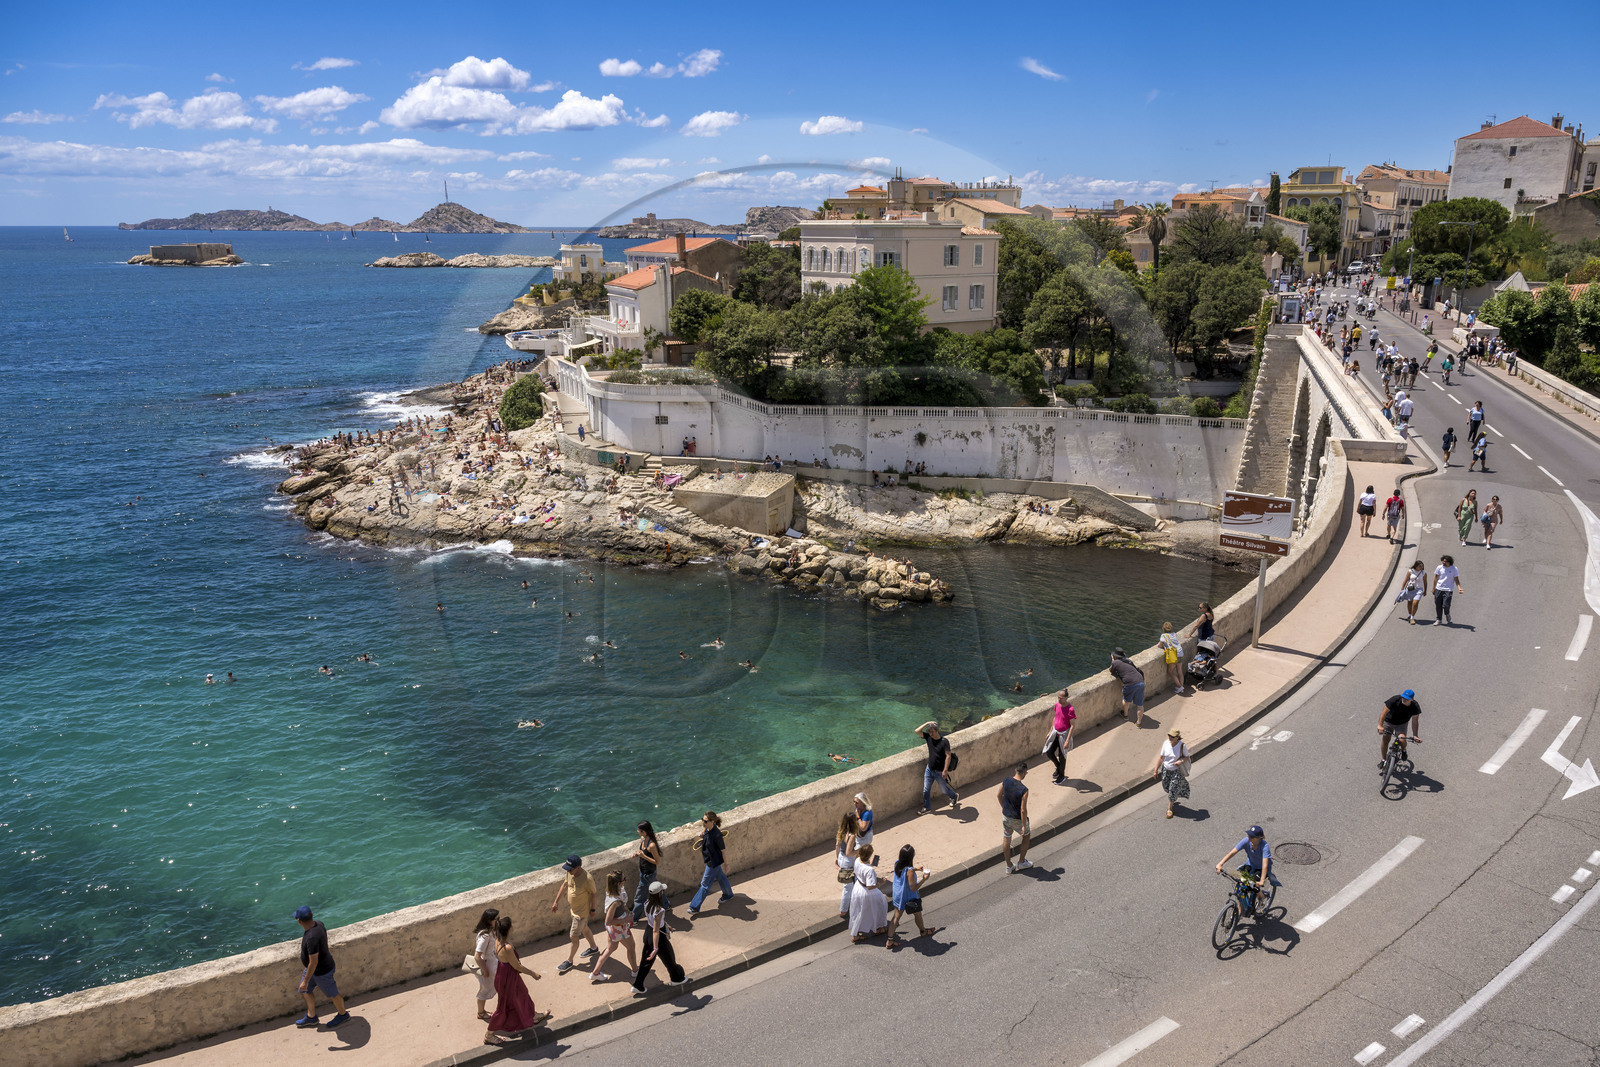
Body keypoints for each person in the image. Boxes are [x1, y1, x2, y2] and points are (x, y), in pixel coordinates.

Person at [484, 915, 546, 1044]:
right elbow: (517, 966)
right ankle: (489, 1034)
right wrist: (533, 974)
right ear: (509, 929)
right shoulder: (507, 948)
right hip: (509, 978)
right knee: (503, 1007)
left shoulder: (498, 940)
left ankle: (534, 1016)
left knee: (523, 995)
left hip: (504, 975)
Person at [293, 906, 350, 1029]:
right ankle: (311, 1017)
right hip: (314, 970)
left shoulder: (312, 938)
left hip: (321, 972)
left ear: (299, 921)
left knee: (333, 994)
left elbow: (313, 962)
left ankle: (343, 1014)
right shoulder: (318, 924)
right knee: (304, 991)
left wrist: (306, 980)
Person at [630, 881, 688, 994]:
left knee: (645, 962)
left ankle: (638, 985)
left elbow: (654, 921)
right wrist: (656, 948)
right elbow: (656, 930)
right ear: (659, 894)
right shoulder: (659, 910)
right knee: (670, 959)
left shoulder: (647, 903)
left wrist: (666, 925)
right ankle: (677, 979)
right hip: (658, 938)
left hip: (647, 934)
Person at [550, 854, 600, 974]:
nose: (568, 870)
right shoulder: (570, 872)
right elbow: (565, 885)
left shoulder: (587, 878)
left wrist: (593, 910)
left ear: (578, 867)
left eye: (570, 868)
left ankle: (570, 961)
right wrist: (556, 901)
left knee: (573, 936)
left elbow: (594, 894)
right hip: (574, 909)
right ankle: (594, 948)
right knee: (584, 928)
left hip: (581, 913)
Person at [1215, 826, 1280, 913]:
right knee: (1240, 883)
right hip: (1250, 865)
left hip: (1262, 869)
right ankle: (1240, 910)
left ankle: (1262, 896)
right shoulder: (1246, 841)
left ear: (1258, 838)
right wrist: (1220, 863)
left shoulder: (1264, 846)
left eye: (1251, 836)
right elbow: (1233, 852)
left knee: (1253, 884)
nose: (1249, 837)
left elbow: (1265, 865)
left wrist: (1262, 881)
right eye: (1249, 835)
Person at [884, 845, 937, 949]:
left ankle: (889, 940)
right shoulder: (910, 871)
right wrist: (924, 879)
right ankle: (923, 931)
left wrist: (916, 868)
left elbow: (906, 871)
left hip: (898, 895)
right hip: (909, 897)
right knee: (917, 914)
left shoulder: (897, 863)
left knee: (896, 917)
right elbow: (913, 888)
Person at [589, 872, 637, 983]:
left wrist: (628, 912)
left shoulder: (613, 891)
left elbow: (623, 905)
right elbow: (608, 921)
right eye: (624, 878)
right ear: (619, 883)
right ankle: (635, 971)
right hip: (619, 928)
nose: (625, 880)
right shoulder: (614, 902)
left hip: (614, 929)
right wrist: (626, 920)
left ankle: (595, 973)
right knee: (631, 947)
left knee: (611, 948)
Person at [687, 810, 735, 918]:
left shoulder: (717, 835)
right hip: (710, 860)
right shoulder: (707, 829)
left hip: (713, 862)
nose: (702, 822)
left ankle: (694, 907)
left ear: (712, 821)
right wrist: (702, 835)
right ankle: (728, 895)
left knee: (705, 885)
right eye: (702, 820)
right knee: (721, 877)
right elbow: (705, 837)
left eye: (705, 821)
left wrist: (727, 865)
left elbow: (723, 851)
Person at [914, 721, 959, 813]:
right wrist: (927, 723)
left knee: (944, 790)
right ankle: (927, 808)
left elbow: (948, 756)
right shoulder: (928, 738)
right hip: (929, 769)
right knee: (926, 790)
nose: (930, 733)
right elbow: (917, 731)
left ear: (937, 730)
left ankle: (954, 796)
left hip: (940, 771)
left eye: (932, 731)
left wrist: (945, 770)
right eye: (929, 731)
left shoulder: (944, 742)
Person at [848, 843, 888, 943]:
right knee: (880, 906)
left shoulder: (857, 860)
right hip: (866, 891)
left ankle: (856, 934)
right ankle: (878, 928)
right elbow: (870, 886)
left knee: (857, 911)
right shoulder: (870, 870)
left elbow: (861, 869)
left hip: (858, 887)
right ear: (869, 855)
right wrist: (881, 883)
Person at [998, 762, 1034, 872]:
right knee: (1026, 836)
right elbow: (1023, 810)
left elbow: (999, 795)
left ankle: (1009, 866)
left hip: (1006, 816)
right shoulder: (1024, 790)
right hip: (1017, 819)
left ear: (1015, 770)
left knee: (1006, 839)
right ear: (1024, 773)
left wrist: (1004, 808)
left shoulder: (1006, 780)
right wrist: (1023, 825)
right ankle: (1022, 862)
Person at [1151, 728, 1191, 818]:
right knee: (1166, 787)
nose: (1170, 737)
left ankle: (1170, 808)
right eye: (1169, 735)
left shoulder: (1182, 746)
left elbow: (1187, 757)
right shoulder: (1166, 743)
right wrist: (1155, 770)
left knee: (1172, 789)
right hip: (1166, 769)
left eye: (1172, 736)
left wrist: (1180, 761)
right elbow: (1161, 757)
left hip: (1176, 771)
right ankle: (1176, 792)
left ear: (1177, 737)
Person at [1379, 690, 1421, 766]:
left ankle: (1403, 750)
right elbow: (1383, 713)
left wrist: (1415, 735)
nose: (1404, 699)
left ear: (1412, 699)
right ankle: (1383, 760)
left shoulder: (1415, 706)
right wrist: (1380, 725)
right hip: (1389, 722)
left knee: (1402, 739)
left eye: (1407, 698)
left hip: (1402, 724)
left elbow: (1415, 721)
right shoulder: (1394, 700)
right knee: (1385, 740)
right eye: (1403, 697)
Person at [472, 907, 500, 1020]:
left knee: (489, 988)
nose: (498, 920)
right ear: (489, 920)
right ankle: (481, 1013)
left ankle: (482, 1011)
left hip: (492, 964)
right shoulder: (485, 936)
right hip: (487, 966)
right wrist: (485, 970)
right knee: (484, 990)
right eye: (496, 919)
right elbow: (477, 956)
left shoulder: (489, 932)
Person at [1043, 689, 1076, 783]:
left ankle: (1062, 776)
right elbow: (1055, 717)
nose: (1059, 699)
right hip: (1055, 733)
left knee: (1062, 757)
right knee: (1049, 752)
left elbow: (1073, 725)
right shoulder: (1057, 705)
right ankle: (1058, 767)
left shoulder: (1070, 709)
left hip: (1064, 736)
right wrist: (1050, 731)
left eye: (1061, 698)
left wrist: (1067, 741)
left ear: (1066, 698)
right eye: (1058, 697)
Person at [632, 821, 662, 921]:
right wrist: (637, 854)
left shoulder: (651, 845)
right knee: (657, 889)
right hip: (644, 872)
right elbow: (642, 853)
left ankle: (634, 919)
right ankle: (666, 904)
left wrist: (643, 856)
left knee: (639, 898)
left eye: (639, 830)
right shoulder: (643, 839)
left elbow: (657, 861)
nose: (637, 831)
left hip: (648, 874)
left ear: (644, 832)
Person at [1109, 647, 1145, 726]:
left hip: (1130, 683)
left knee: (1126, 700)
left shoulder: (1115, 662)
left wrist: (1113, 661)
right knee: (1140, 705)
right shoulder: (1128, 660)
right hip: (1140, 681)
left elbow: (1111, 671)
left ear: (1115, 656)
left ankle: (1125, 716)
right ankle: (1138, 723)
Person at [833, 811, 859, 917]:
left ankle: (849, 906)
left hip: (841, 857)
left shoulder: (841, 831)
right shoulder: (852, 836)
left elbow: (837, 845)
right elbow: (849, 853)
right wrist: (860, 850)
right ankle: (843, 910)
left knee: (851, 882)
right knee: (848, 886)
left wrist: (838, 859)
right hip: (848, 860)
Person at [1432, 554, 1464, 625]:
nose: (1443, 563)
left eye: (1445, 561)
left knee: (1446, 605)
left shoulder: (1454, 569)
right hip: (1439, 588)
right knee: (1438, 605)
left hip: (1448, 590)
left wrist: (1459, 588)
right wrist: (1433, 588)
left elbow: (1456, 580)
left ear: (1449, 562)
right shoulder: (1439, 567)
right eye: (1443, 561)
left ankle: (1447, 613)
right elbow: (1436, 578)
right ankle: (1439, 619)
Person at [1159, 623, 1185, 694]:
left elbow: (1160, 645)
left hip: (1174, 655)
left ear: (1163, 629)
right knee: (1179, 671)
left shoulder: (1163, 636)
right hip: (1180, 652)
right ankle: (1181, 688)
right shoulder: (1174, 634)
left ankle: (1180, 687)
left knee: (1170, 672)